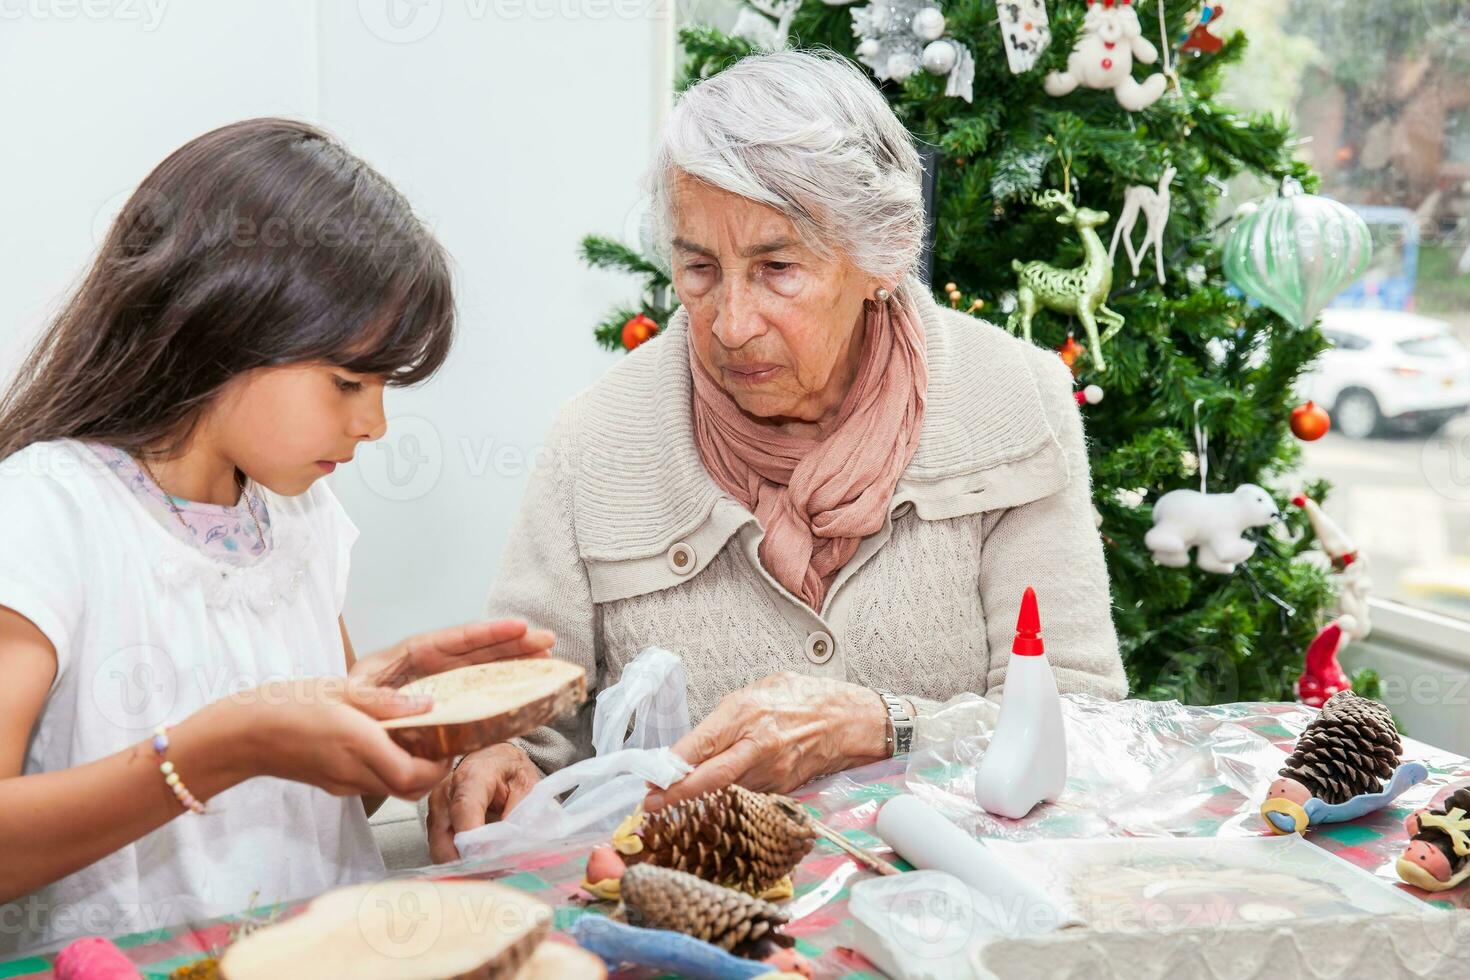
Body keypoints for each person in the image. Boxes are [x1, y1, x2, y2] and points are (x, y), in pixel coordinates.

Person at [427, 51, 1126, 862]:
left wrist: (881, 727)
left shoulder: (1013, 401)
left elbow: (1082, 718)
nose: (729, 322)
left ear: (881, 257)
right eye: (698, 268)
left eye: (777, 268)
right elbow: (531, 733)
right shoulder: (597, 442)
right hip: (697, 918)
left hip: (953, 907)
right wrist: (495, 760)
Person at [0, 118, 551, 954]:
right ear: (219, 324)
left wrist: (396, 714)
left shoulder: (302, 520)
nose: (373, 423)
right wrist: (231, 744)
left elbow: (329, 805)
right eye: (348, 381)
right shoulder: (46, 515)